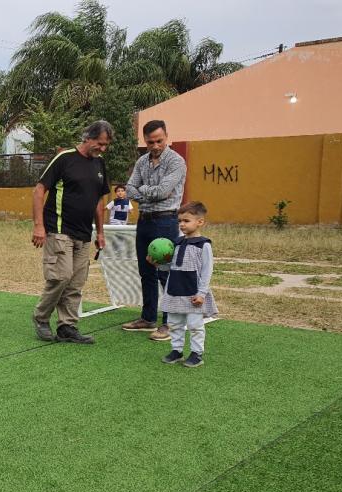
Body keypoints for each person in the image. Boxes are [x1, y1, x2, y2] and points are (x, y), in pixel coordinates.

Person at [31, 121, 112, 344]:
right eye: (100, 143)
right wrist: (38, 225)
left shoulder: (100, 164)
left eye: (106, 145)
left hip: (84, 234)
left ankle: (67, 327)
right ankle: (41, 317)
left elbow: (99, 200)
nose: (102, 149)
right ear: (87, 137)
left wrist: (100, 233)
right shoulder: (64, 158)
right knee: (61, 276)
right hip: (59, 229)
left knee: (76, 283)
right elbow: (39, 190)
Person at [122, 120, 187, 341]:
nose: (155, 146)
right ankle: (148, 318)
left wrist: (143, 191)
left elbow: (164, 192)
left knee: (166, 273)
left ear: (166, 136)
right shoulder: (142, 161)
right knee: (146, 271)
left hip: (166, 221)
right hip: (144, 221)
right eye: (151, 142)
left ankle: (170, 323)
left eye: (159, 141)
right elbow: (129, 189)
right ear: (145, 141)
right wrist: (149, 192)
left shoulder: (176, 161)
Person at [155, 202, 217, 368]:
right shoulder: (177, 243)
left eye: (186, 221)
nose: (182, 224)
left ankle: (197, 353)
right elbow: (171, 266)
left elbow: (207, 270)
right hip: (174, 291)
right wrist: (158, 264)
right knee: (174, 324)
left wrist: (201, 293)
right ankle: (177, 350)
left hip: (193, 294)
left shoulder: (203, 244)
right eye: (180, 221)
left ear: (200, 222)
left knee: (195, 326)